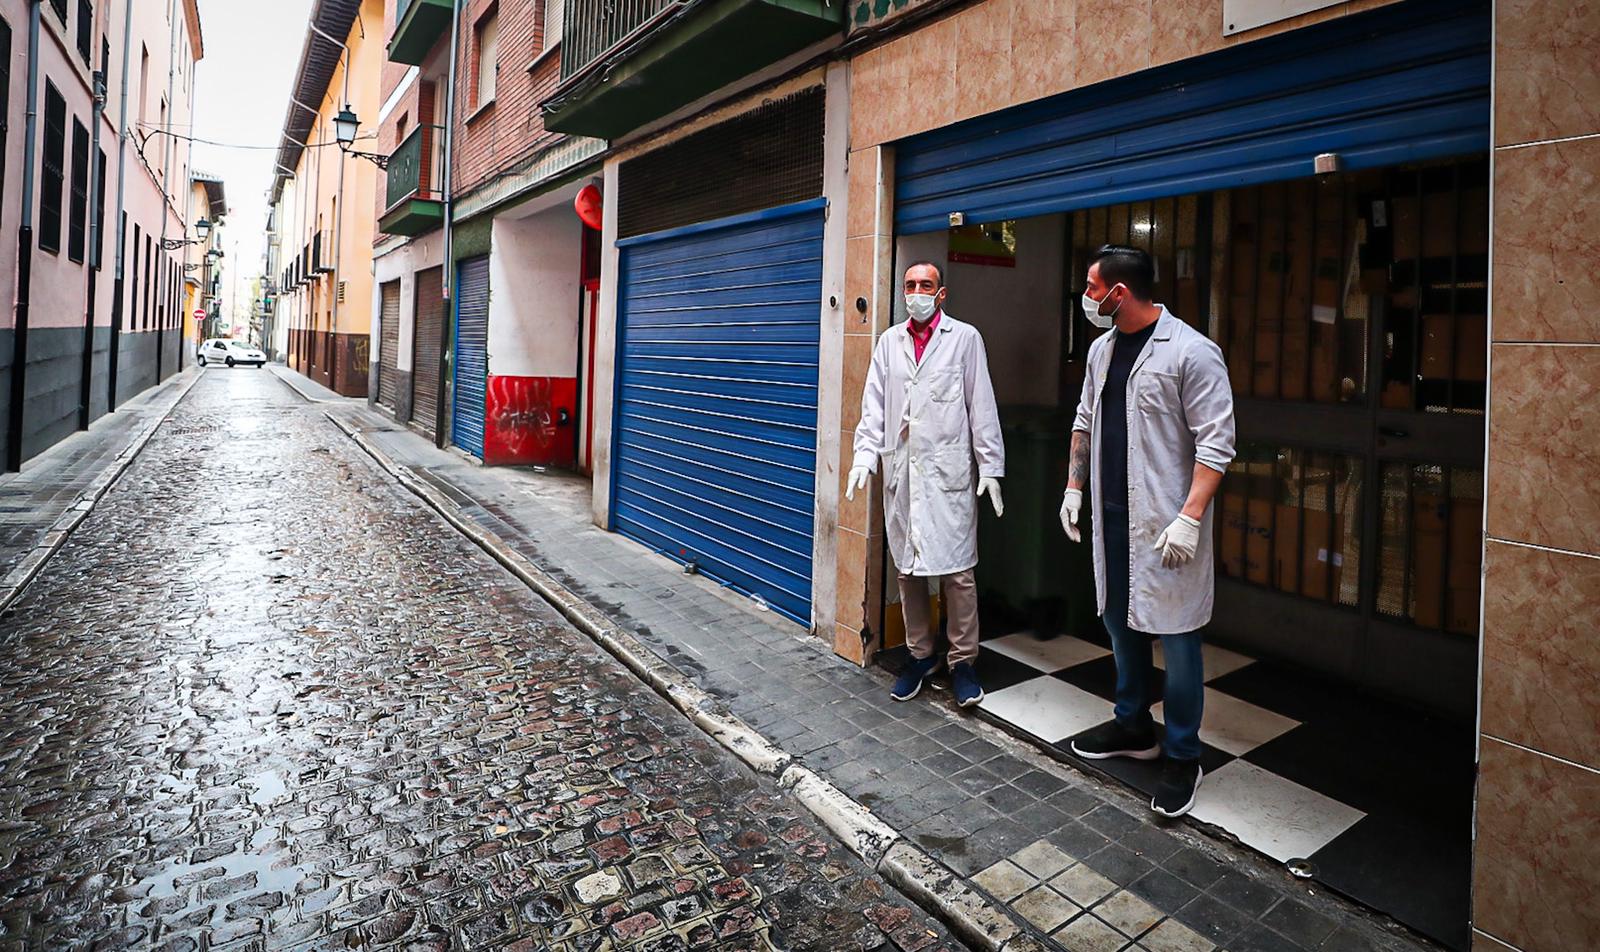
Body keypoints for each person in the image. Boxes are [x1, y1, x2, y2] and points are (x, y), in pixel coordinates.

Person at [1060, 245, 1236, 818]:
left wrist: (1190, 517)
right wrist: (1073, 488)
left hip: (1166, 524)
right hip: (1113, 517)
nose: (1086, 296)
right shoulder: (1101, 350)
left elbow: (1217, 443)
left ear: (1119, 292)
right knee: (1119, 622)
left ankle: (1184, 754)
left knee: (1179, 638)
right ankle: (1133, 726)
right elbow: (1085, 419)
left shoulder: (1191, 351)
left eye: (1091, 287)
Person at [847, 261, 1004, 708]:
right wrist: (863, 455)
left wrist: (990, 466)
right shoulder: (888, 342)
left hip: (947, 471)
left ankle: (963, 661)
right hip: (903, 473)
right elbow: (874, 404)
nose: (916, 291)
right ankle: (920, 655)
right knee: (908, 570)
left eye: (926, 285)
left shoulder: (965, 339)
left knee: (958, 573)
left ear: (941, 294)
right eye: (911, 285)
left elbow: (982, 405)